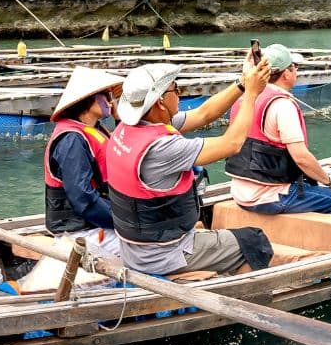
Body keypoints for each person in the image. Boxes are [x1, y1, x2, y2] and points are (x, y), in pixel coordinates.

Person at [103, 59, 274, 276]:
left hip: (136, 250)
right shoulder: (163, 147)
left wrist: (243, 83)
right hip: (163, 254)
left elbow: (204, 113)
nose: (180, 94)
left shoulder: (128, 129)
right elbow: (232, 143)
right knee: (255, 241)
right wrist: (251, 94)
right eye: (176, 89)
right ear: (160, 102)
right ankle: (238, 294)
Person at [226, 45, 331, 216]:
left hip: (240, 192)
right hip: (268, 196)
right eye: (295, 67)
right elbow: (301, 158)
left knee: (312, 185)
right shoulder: (282, 105)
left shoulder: (243, 98)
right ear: (286, 73)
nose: (296, 71)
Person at [41, 66, 124, 256]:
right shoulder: (72, 140)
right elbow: (83, 198)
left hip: (99, 223)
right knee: (152, 246)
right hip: (84, 232)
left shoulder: (94, 130)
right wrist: (125, 222)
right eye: (105, 95)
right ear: (88, 100)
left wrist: (119, 118)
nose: (111, 101)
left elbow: (125, 150)